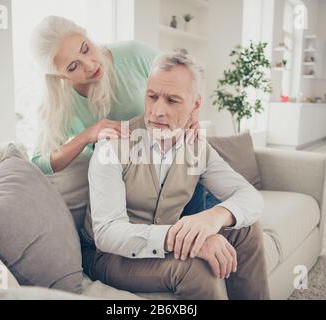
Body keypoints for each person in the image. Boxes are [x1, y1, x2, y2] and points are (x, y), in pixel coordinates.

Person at [81, 51, 270, 300]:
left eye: (172, 100)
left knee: (245, 228)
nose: (158, 110)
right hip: (110, 256)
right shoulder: (113, 145)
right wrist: (186, 240)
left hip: (161, 244)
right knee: (194, 269)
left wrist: (214, 217)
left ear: (195, 105)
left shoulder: (197, 148)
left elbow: (250, 197)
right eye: (152, 97)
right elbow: (107, 233)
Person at [28, 15, 200, 174]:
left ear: (87, 37)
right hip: (119, 176)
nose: (90, 65)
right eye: (73, 66)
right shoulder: (63, 103)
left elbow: (188, 82)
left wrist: (192, 117)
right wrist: (87, 135)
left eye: (85, 49)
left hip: (171, 162)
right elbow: (39, 163)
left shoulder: (133, 54)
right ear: (60, 76)